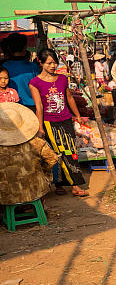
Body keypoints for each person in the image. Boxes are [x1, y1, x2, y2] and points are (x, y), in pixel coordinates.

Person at [28, 49, 88, 197]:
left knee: (71, 151)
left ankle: (68, 185)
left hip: (66, 119)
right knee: (59, 152)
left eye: (55, 62)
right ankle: (69, 185)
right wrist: (40, 127)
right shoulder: (34, 83)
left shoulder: (62, 79)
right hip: (49, 122)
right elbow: (39, 107)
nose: (53, 66)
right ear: (40, 63)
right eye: (49, 63)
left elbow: (70, 98)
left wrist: (78, 115)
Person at [0, 103, 59, 207]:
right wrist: (43, 170)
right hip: (35, 190)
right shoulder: (36, 142)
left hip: (5, 195)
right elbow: (53, 159)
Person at [1, 33, 37, 110]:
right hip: (32, 106)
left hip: (12, 108)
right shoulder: (33, 67)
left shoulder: (4, 67)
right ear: (25, 47)